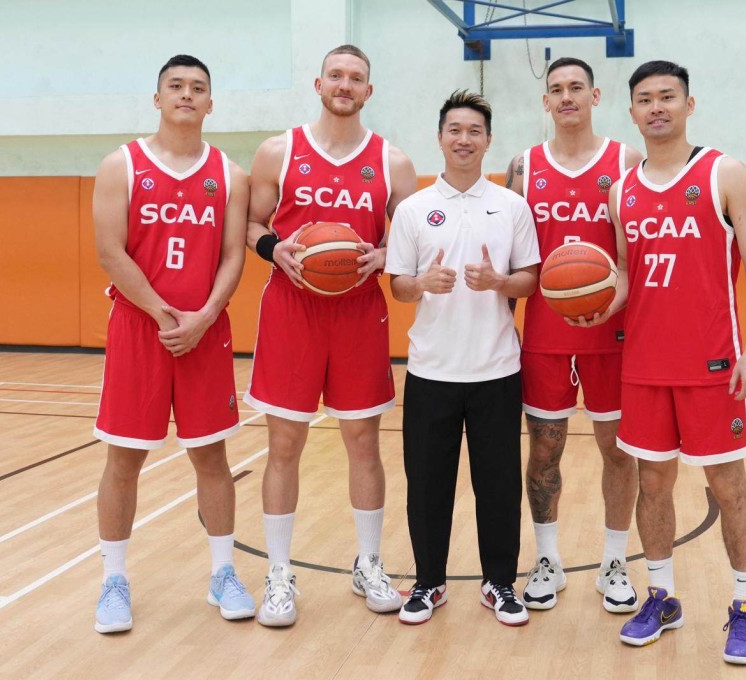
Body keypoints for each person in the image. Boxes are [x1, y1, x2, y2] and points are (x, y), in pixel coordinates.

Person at [244, 44, 417, 627]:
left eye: (357, 78)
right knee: (284, 446)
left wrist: (387, 254)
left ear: (370, 90)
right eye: (336, 76)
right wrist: (275, 248)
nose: (345, 85)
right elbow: (250, 223)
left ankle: (369, 562)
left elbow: (414, 237)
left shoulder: (391, 161)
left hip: (358, 314)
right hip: (292, 311)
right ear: (319, 84)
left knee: (363, 443)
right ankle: (278, 573)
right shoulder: (278, 151)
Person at [607, 60, 746, 665]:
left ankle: (745, 606)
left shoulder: (724, 173)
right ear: (631, 112)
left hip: (711, 365)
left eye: (668, 97)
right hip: (645, 365)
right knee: (651, 484)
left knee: (728, 485)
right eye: (645, 99)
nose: (657, 108)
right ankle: (662, 596)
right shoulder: (621, 189)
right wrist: (594, 306)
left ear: (688, 104)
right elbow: (628, 274)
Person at [92, 54, 253, 633]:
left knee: (212, 457)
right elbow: (111, 251)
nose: (187, 94)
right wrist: (166, 315)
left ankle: (223, 573)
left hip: (205, 333)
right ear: (157, 99)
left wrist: (205, 316)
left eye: (198, 88)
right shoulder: (121, 165)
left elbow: (234, 254)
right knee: (123, 459)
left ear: (211, 103)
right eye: (176, 86)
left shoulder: (230, 175)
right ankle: (113, 581)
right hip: (141, 330)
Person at [385, 90, 540, 626]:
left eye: (475, 130)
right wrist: (422, 283)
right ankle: (429, 583)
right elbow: (399, 286)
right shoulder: (412, 210)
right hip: (431, 370)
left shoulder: (511, 206)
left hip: (497, 369)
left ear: (488, 141)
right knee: (428, 484)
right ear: (440, 138)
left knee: (498, 484)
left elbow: (531, 278)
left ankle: (500, 583)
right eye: (455, 129)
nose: (464, 139)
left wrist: (501, 281)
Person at [504, 57, 643, 613]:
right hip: (543, 334)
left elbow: (634, 257)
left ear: (595, 95)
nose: (566, 97)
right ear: (545, 102)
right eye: (556, 89)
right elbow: (511, 254)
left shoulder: (625, 161)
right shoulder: (522, 167)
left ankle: (614, 560)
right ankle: (549, 559)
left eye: (576, 88)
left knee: (618, 451)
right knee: (544, 450)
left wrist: (614, 301)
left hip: (612, 334)